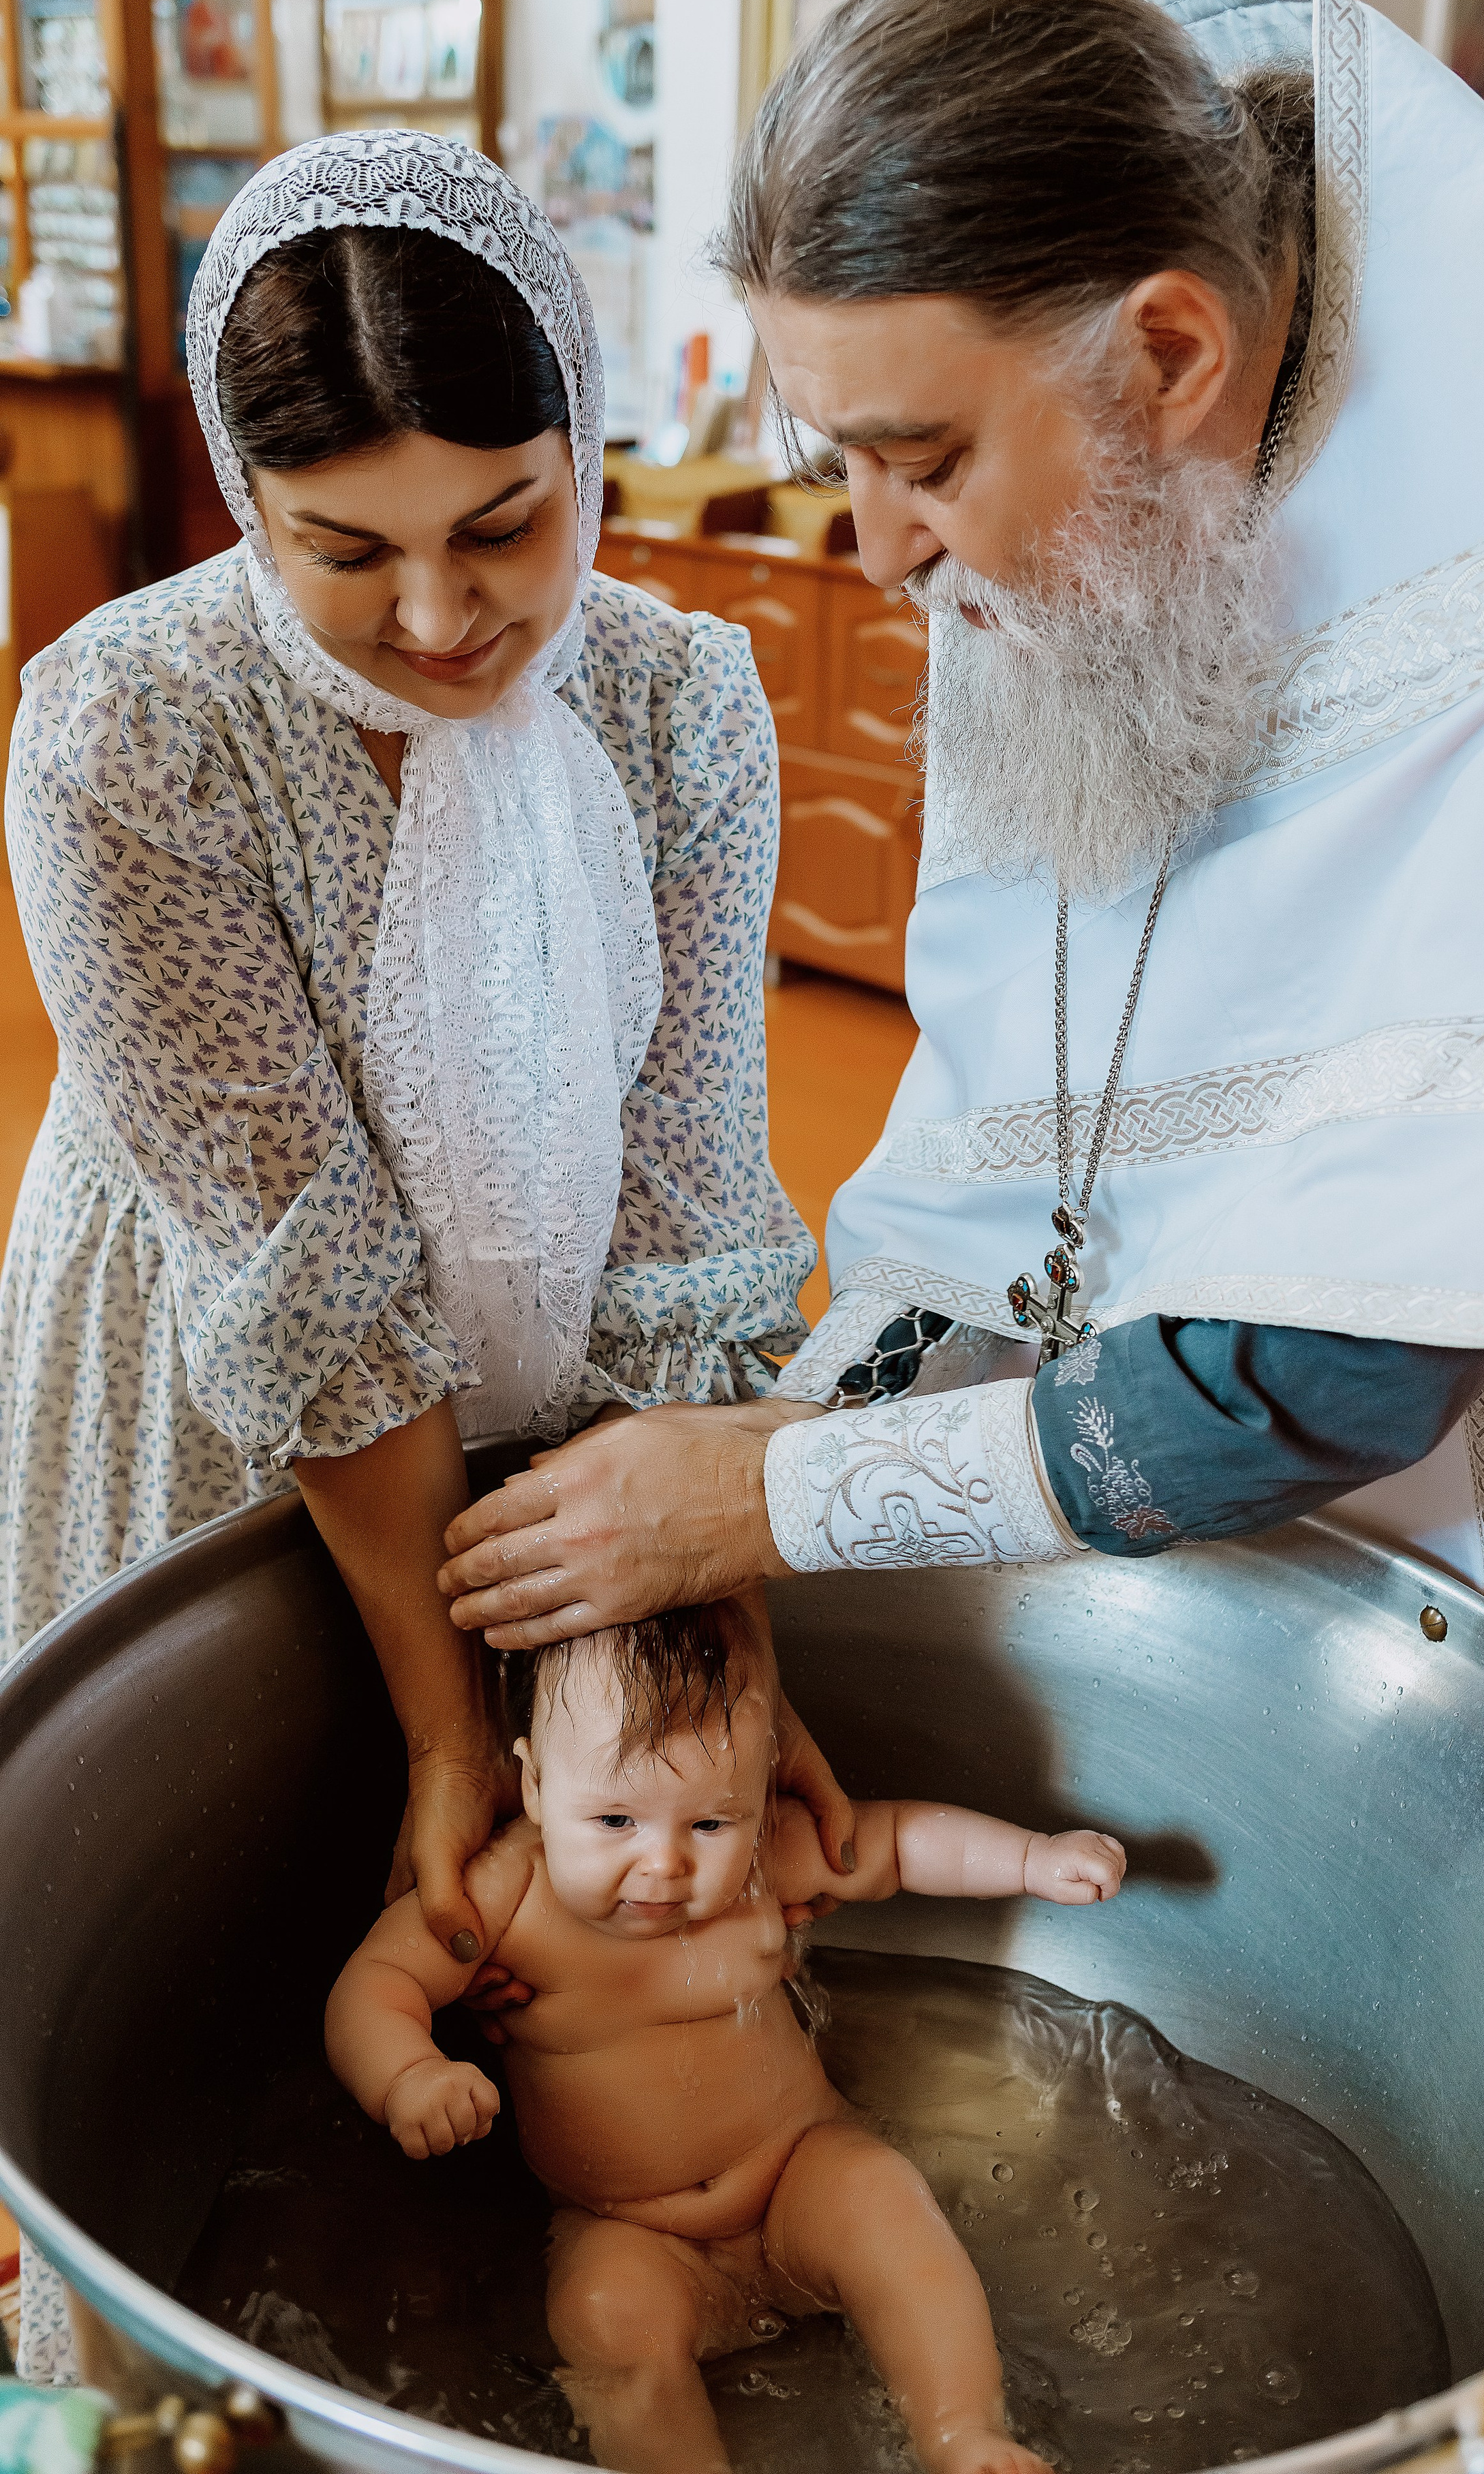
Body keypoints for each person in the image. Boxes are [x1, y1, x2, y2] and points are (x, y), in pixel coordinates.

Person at [437, 0, 1484, 1835]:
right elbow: (1015, 1128)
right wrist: (784, 1447)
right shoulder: (1117, 493)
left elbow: (1342, 1368)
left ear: (1171, 351)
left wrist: (767, 1498)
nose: (880, 552)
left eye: (924, 463)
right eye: (843, 465)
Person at [0, 134, 852, 2377]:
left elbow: (679, 1203)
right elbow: (310, 1252)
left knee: (566, 1880)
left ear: (585, 440)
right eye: (342, 553)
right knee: (282, 1873)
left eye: (510, 524)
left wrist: (710, 1680)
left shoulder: (682, 705)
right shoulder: (128, 731)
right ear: (238, 498)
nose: (449, 617)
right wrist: (439, 1720)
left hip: (562, 1339)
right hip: (227, 1356)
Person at [326, 1598, 1124, 2474]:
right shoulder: (503, 1897)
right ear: (536, 1786)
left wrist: (1029, 1860)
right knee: (607, 2323)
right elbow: (378, 1983)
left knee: (887, 2207)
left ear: (762, 1790)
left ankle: (963, 2432)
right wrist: (409, 2074)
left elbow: (893, 1843)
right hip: (629, 2225)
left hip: (796, 2173)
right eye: (614, 1822)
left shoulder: (760, 1865)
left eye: (709, 1822)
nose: (664, 1864)